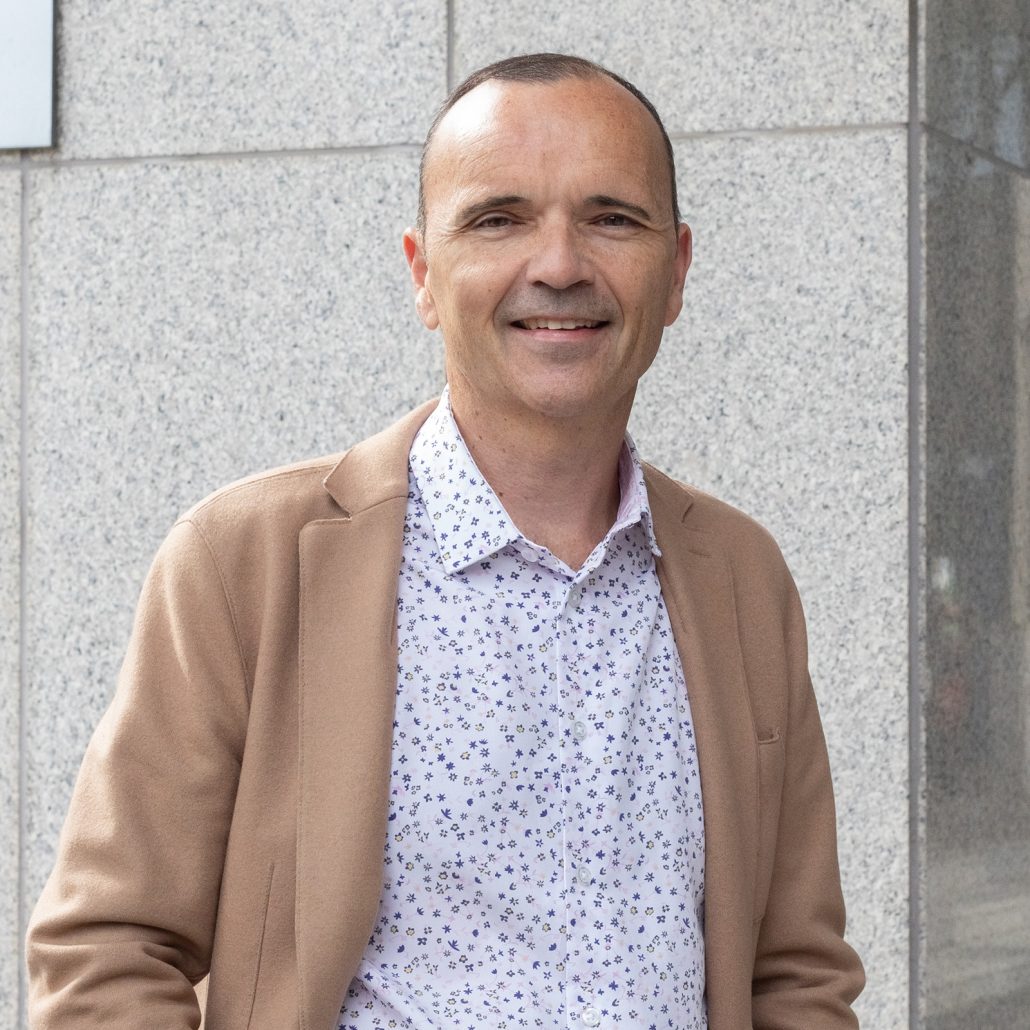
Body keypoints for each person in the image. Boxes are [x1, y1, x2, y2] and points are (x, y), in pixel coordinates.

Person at [26, 53, 864, 1029]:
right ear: (424, 273)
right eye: (499, 218)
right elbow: (108, 949)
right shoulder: (244, 563)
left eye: (610, 217)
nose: (558, 264)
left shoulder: (740, 580)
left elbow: (796, 972)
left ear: (674, 272)